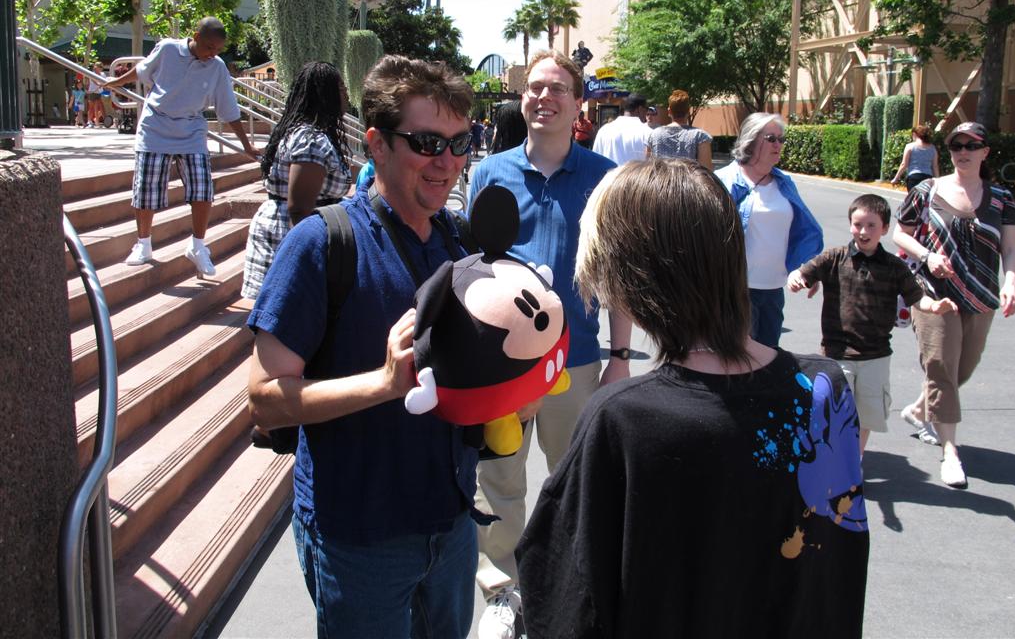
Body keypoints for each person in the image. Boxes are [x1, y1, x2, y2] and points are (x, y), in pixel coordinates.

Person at [516, 159, 869, 638]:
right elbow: (839, 567)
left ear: (629, 276)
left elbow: (562, 594)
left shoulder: (624, 419)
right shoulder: (824, 389)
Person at [248, 55, 480, 638]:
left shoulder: (459, 240)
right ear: (376, 144)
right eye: (427, 143)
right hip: (358, 538)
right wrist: (382, 382)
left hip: (452, 523)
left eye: (460, 143)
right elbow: (265, 400)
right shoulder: (321, 243)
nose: (447, 162)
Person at [470, 49, 632, 638]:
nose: (544, 97)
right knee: (500, 481)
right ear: (522, 99)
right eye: (535, 87)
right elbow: (474, 269)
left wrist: (620, 357)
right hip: (504, 365)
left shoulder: (605, 179)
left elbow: (617, 275)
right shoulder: (490, 173)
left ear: (578, 101)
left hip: (579, 361)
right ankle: (501, 592)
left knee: (574, 480)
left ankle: (565, 586)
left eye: (558, 88)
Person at [892, 121, 1015, 489]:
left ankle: (920, 410)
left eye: (970, 146)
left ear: (985, 152)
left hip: (980, 296)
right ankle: (950, 452)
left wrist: (1011, 281)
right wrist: (927, 256)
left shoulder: (1001, 198)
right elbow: (900, 232)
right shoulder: (927, 191)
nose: (962, 152)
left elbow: (1010, 248)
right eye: (956, 146)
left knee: (962, 368)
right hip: (933, 294)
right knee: (942, 368)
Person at [787, 193, 957, 455]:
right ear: (850, 225)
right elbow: (802, 272)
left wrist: (933, 306)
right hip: (838, 354)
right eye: (857, 225)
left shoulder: (895, 267)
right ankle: (834, 460)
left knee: (866, 416)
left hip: (876, 356)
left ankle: (855, 461)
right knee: (835, 413)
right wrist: (796, 279)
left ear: (885, 228)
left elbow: (916, 297)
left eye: (871, 226)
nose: (863, 231)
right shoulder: (835, 258)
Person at [104, 17, 260, 276]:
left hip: (191, 130)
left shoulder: (217, 67)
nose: (212, 54)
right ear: (196, 37)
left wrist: (246, 145)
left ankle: (198, 246)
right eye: (209, 47)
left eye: (218, 49)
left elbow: (229, 109)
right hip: (156, 126)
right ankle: (143, 244)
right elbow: (142, 70)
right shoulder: (168, 49)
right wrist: (117, 82)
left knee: (202, 189)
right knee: (146, 188)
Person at [240, 62, 353, 300]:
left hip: (296, 229)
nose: (347, 95)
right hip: (290, 233)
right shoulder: (310, 139)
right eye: (342, 89)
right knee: (285, 309)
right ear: (326, 95)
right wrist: (304, 256)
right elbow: (299, 207)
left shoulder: (310, 133)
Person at [716, 112, 823, 347]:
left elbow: (802, 231)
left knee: (769, 356)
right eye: (771, 138)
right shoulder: (723, 181)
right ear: (751, 141)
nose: (778, 145)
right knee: (739, 359)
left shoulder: (784, 182)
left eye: (781, 139)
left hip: (773, 289)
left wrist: (808, 269)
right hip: (737, 291)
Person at [646, 88, 712, 170]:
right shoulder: (700, 136)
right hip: (689, 178)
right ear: (688, 111)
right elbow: (706, 171)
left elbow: (648, 167)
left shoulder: (654, 135)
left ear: (669, 111)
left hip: (661, 178)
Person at [591, 94, 650, 165]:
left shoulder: (604, 130)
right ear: (639, 109)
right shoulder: (647, 132)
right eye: (646, 109)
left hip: (609, 172)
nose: (647, 113)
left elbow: (595, 161)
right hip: (636, 172)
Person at [890, 122, 940, 190]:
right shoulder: (932, 148)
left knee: (914, 196)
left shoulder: (910, 146)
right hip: (928, 178)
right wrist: (937, 181)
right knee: (925, 196)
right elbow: (935, 166)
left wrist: (896, 178)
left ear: (914, 134)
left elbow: (904, 164)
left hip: (914, 177)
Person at [86, 62, 106, 127]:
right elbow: (93, 80)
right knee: (91, 107)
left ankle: (97, 120)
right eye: (99, 66)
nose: (100, 68)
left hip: (99, 92)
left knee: (101, 107)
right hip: (92, 92)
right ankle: (89, 121)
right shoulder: (92, 74)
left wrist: (103, 85)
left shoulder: (103, 74)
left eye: (101, 67)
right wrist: (99, 84)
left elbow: (105, 81)